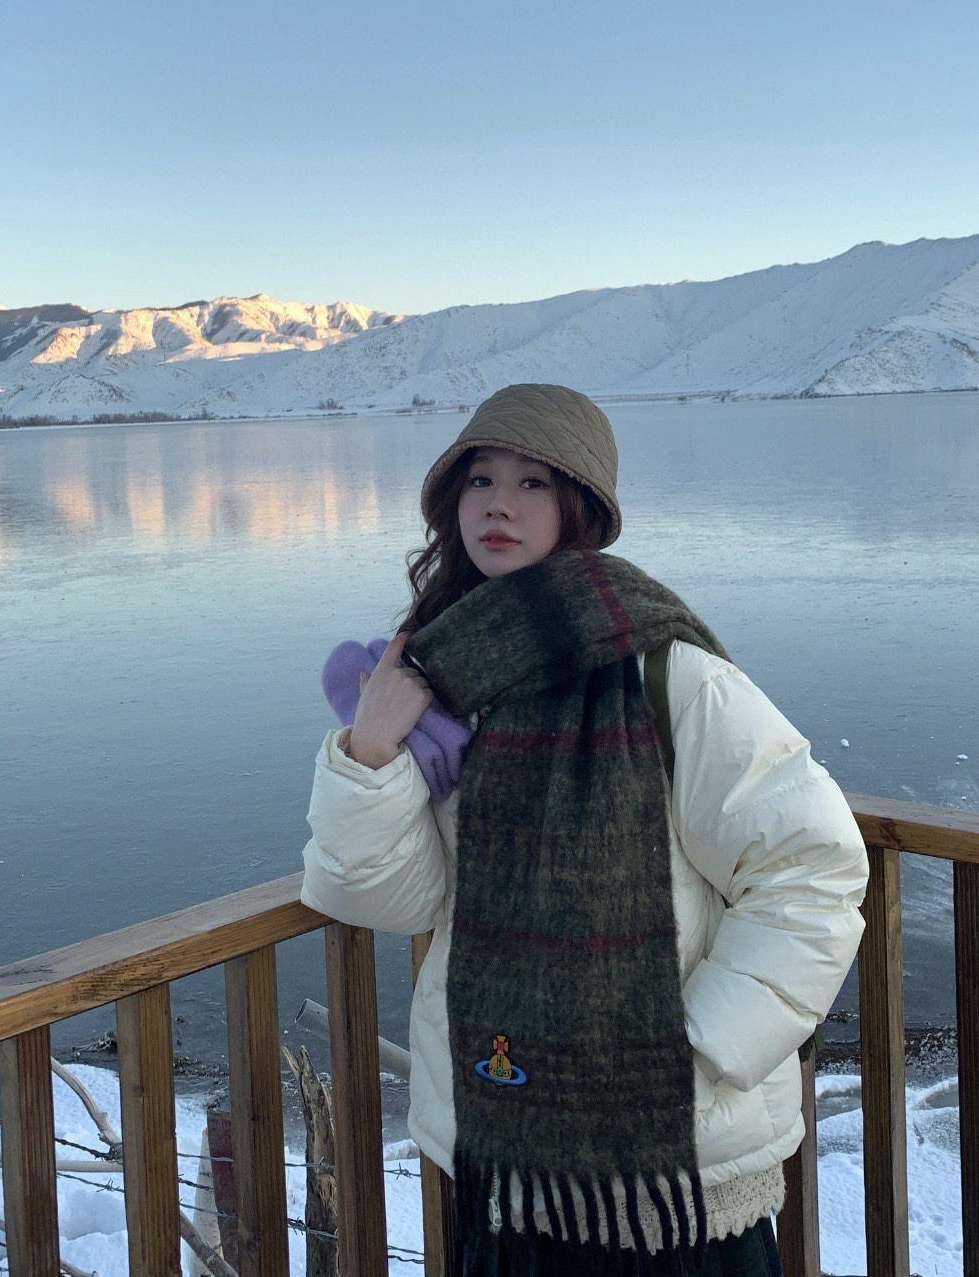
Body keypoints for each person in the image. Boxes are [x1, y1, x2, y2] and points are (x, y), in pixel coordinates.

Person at [301, 383, 869, 1277]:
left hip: (672, 1171)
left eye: (533, 482)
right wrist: (370, 750)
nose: (499, 504)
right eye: (480, 478)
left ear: (582, 508)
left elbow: (813, 868)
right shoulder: (442, 680)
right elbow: (393, 898)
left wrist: (699, 1046)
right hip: (507, 1153)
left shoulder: (667, 672)